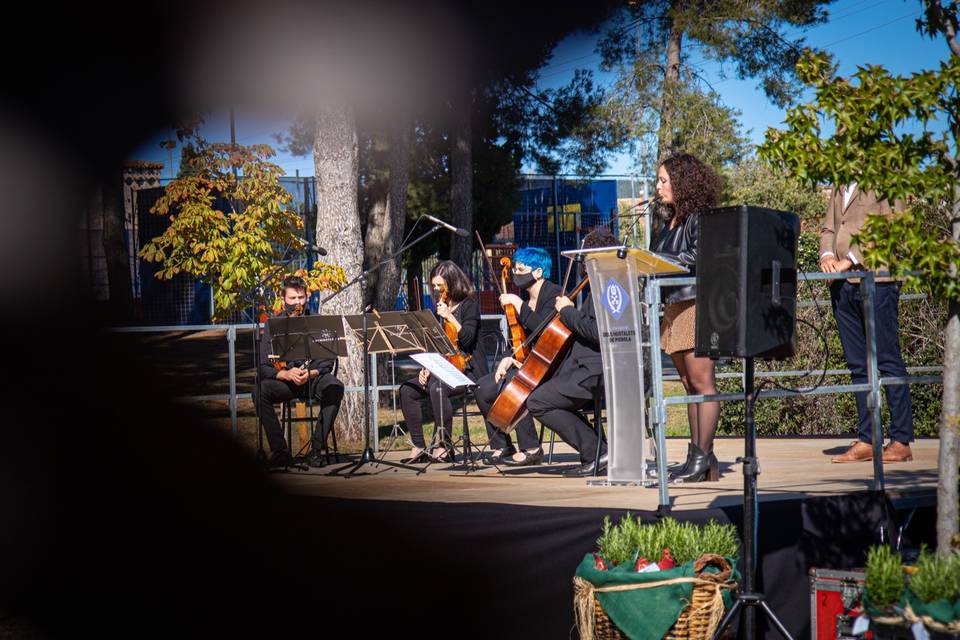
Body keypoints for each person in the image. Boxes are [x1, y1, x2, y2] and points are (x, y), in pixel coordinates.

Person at [491, 228, 613, 477]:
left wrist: (568, 311)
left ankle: (598, 452)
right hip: (583, 368)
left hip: (597, 370)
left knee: (539, 401)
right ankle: (597, 451)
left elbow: (598, 332)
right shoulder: (599, 287)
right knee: (540, 394)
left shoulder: (609, 287)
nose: (582, 264)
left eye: (585, 258)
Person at [820, 184, 914, 463]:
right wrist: (826, 256)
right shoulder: (839, 184)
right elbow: (828, 228)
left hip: (877, 281)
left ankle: (901, 440)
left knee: (887, 359)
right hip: (841, 286)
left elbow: (891, 226)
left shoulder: (885, 178)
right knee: (858, 364)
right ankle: (868, 438)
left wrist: (848, 260)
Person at [649, 153, 722, 483]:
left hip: (695, 305)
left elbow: (697, 256)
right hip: (674, 307)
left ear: (684, 182)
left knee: (703, 384)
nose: (659, 186)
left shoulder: (700, 218)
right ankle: (698, 454)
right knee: (688, 384)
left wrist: (656, 258)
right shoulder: (670, 220)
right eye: (659, 180)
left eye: (664, 180)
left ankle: (702, 456)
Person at [474, 247, 561, 466]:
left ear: (539, 272)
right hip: (525, 363)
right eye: (514, 268)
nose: (515, 273)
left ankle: (531, 447)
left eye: (521, 269)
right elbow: (517, 337)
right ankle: (501, 445)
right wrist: (506, 357)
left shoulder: (554, 294)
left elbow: (542, 330)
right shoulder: (523, 300)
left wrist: (519, 304)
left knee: (515, 382)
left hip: (549, 367)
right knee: (483, 387)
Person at [399, 260, 489, 463]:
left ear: (453, 282)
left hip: (468, 369)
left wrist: (450, 316)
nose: (437, 289)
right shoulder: (441, 307)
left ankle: (445, 445)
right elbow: (439, 346)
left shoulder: (469, 305)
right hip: (446, 368)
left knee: (437, 388)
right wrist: (427, 368)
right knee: (407, 389)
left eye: (441, 285)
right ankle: (419, 446)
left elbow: (466, 339)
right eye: (434, 286)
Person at [253, 275, 345, 469]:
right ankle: (281, 452)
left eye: (301, 298)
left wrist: (310, 373)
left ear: (307, 297)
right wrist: (286, 374)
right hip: (287, 381)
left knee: (335, 387)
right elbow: (263, 366)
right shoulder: (272, 325)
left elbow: (328, 360)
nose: (297, 303)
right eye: (292, 298)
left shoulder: (318, 321)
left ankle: (316, 449)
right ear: (284, 299)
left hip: (313, 379)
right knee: (259, 392)